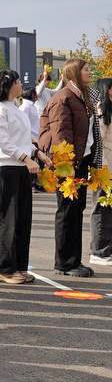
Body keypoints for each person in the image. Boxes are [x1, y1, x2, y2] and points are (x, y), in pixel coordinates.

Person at [0, 69, 45, 284]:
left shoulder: (15, 107)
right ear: (8, 85)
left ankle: (18, 265)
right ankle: (3, 268)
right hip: (5, 166)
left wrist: (38, 153)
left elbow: (22, 138)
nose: (21, 84)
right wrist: (24, 158)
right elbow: (1, 138)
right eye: (18, 81)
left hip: (20, 166)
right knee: (7, 217)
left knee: (22, 218)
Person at [39, 59, 96, 277]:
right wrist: (67, 167)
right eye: (85, 69)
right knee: (66, 211)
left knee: (76, 209)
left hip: (79, 162)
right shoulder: (63, 98)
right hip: (66, 164)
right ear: (73, 73)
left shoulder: (80, 96)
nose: (90, 72)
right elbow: (61, 134)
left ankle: (74, 260)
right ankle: (64, 262)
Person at [90, 84, 111, 267]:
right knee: (101, 208)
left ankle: (106, 249)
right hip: (102, 165)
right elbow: (98, 140)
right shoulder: (100, 110)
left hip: (109, 164)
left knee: (108, 209)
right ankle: (99, 251)